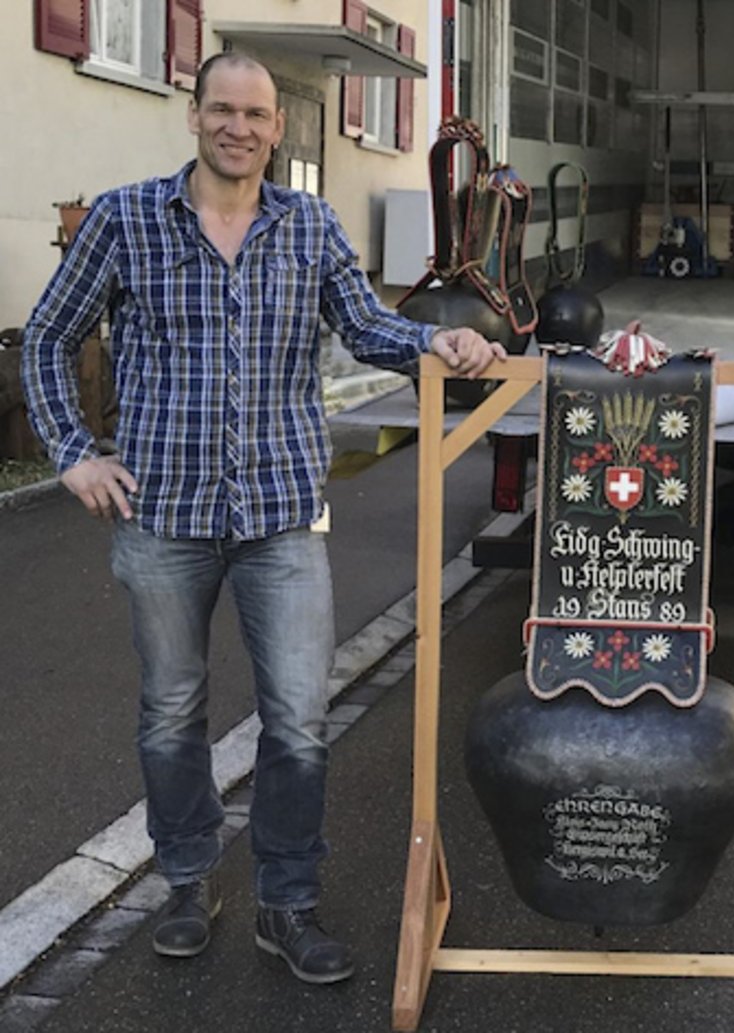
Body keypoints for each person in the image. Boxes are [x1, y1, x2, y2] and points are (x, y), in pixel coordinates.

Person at [22, 52, 504, 985]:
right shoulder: (126, 220)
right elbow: (46, 336)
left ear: (277, 128)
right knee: (172, 713)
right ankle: (188, 880)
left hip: (282, 515)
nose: (239, 127)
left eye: (256, 114)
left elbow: (367, 326)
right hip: (161, 513)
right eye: (223, 111)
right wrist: (74, 451)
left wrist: (438, 339)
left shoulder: (310, 225)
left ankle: (288, 903)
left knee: (298, 718)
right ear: (194, 117)